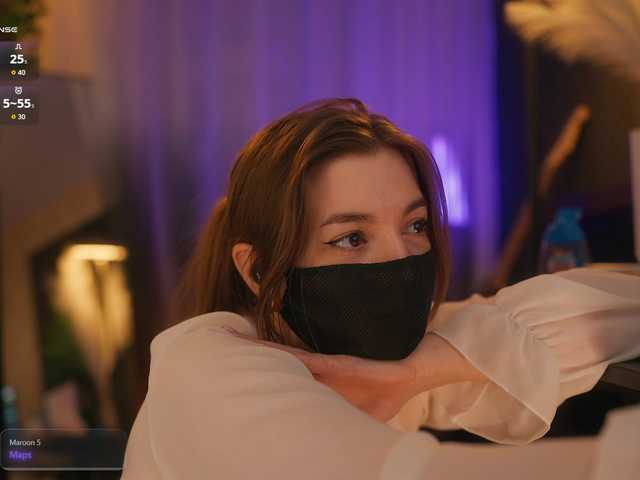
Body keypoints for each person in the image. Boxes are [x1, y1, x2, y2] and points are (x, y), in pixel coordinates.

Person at [121, 98, 640, 479]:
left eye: (415, 225)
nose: (399, 259)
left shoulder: (355, 357)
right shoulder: (205, 370)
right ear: (258, 271)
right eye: (352, 238)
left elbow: (617, 309)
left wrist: (419, 371)